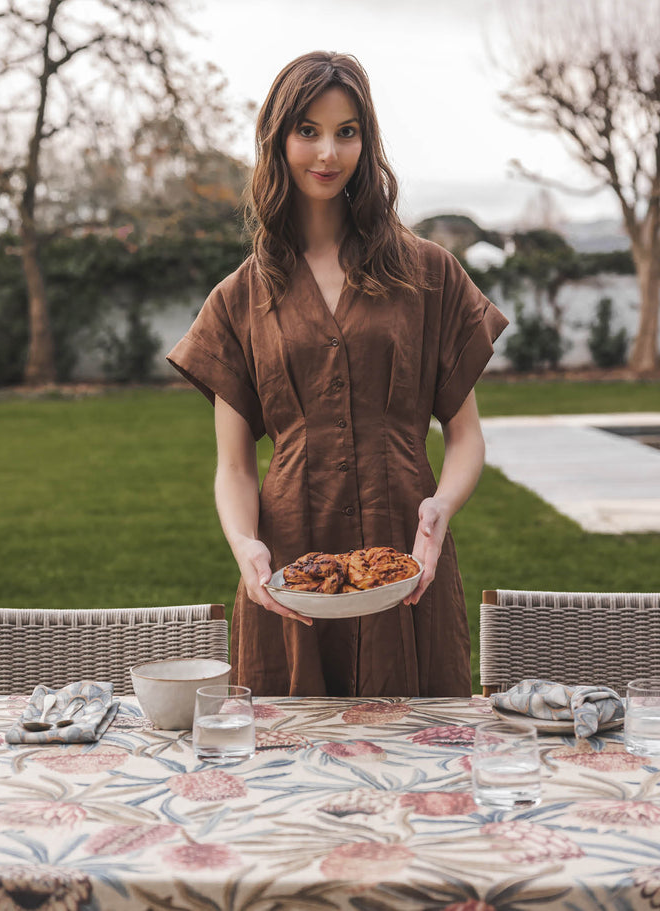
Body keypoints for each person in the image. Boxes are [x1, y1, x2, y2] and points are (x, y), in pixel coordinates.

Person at [167, 51, 508, 698]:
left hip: (406, 555)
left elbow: (465, 435)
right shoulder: (238, 298)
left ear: (366, 141)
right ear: (278, 140)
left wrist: (440, 507)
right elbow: (234, 465)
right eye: (309, 130)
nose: (328, 152)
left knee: (420, 744)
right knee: (285, 750)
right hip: (290, 562)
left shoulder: (429, 273)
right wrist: (245, 545)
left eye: (346, 132)